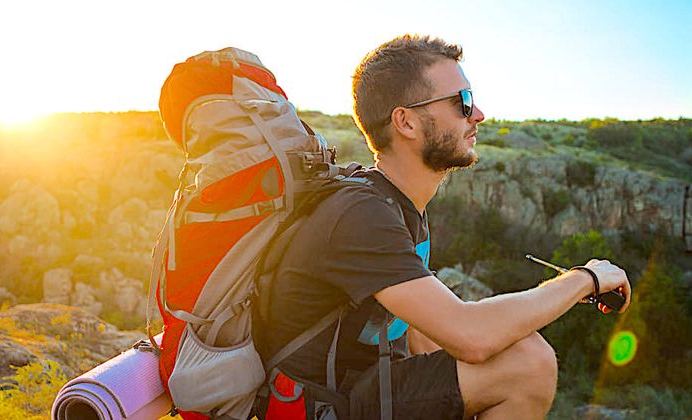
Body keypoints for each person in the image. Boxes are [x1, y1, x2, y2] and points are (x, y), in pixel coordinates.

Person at [260, 34, 632, 419]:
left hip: (358, 391)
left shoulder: (399, 206)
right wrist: (583, 279)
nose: (478, 115)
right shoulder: (361, 215)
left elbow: (422, 335)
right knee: (528, 363)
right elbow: (470, 338)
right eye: (462, 103)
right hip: (316, 407)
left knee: (503, 354)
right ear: (405, 122)